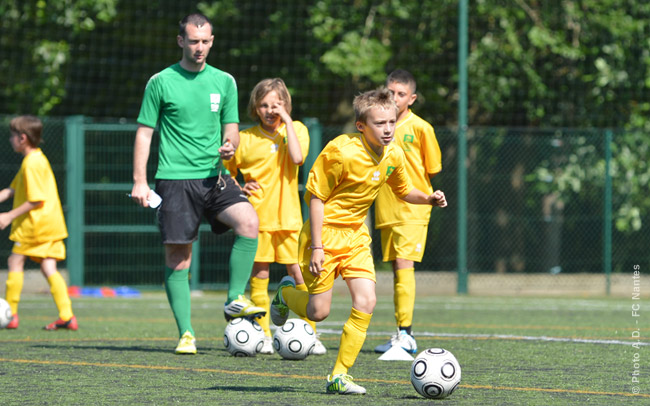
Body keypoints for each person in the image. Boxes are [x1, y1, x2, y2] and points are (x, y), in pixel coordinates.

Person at [270, 88, 447, 395]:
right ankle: (285, 295)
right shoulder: (341, 151)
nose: (389, 129)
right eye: (380, 123)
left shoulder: (394, 154)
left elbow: (404, 191)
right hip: (322, 236)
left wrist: (428, 198)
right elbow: (315, 197)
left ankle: (339, 375)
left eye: (392, 121)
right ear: (361, 126)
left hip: (356, 238)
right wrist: (317, 247)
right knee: (318, 312)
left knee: (366, 301)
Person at [131, 13, 265, 355]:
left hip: (214, 176)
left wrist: (230, 144)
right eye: (193, 41)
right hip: (174, 180)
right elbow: (145, 133)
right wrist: (140, 181)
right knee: (179, 257)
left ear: (212, 41)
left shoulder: (225, 81)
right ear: (181, 41)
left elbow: (231, 127)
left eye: (206, 41)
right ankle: (186, 333)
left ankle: (235, 297)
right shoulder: (161, 81)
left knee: (249, 222)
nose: (200, 47)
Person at [223, 78, 326, 355]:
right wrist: (239, 187)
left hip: (290, 219)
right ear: (255, 108)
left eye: (276, 105)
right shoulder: (245, 139)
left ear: (286, 106)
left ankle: (311, 333)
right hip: (257, 218)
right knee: (260, 273)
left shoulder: (297, 130)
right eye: (264, 105)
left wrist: (288, 122)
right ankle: (265, 335)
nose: (270, 111)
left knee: (299, 273)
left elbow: (297, 158)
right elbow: (226, 170)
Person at [373, 69, 442, 354]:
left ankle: (406, 333)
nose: (395, 98)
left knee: (404, 266)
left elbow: (433, 168)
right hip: (386, 208)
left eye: (401, 94)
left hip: (413, 209)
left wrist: (427, 197)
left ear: (411, 99)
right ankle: (400, 333)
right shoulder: (376, 126)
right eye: (390, 92)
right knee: (397, 270)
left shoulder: (422, 128)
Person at [1, 115, 77, 331]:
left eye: (12, 136)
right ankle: (67, 316)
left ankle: (11, 315)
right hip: (50, 223)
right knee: (48, 267)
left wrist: (8, 216)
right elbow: (13, 189)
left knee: (15, 262)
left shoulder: (32, 164)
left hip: (35, 225)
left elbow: (36, 200)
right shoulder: (35, 159)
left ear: (22, 138)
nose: (10, 140)